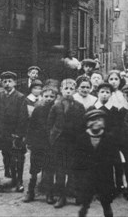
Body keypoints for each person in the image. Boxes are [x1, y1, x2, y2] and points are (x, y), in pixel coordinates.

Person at [47, 77, 85, 208]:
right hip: (59, 142)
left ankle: (76, 194)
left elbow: (82, 125)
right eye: (66, 89)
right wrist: (53, 137)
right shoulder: (56, 105)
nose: (68, 91)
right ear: (61, 90)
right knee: (60, 170)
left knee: (73, 169)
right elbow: (50, 123)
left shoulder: (79, 106)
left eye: (71, 89)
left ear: (75, 90)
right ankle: (61, 197)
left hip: (73, 142)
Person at [73, 109, 118, 217]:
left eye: (99, 120)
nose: (96, 122)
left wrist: (118, 179)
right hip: (87, 176)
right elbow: (77, 161)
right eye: (92, 120)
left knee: (106, 203)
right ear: (87, 123)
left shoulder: (109, 138)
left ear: (104, 123)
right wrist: (78, 178)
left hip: (105, 176)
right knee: (85, 202)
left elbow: (116, 159)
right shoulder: (82, 139)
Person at [24, 84, 58, 204]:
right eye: (46, 96)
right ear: (42, 96)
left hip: (50, 144)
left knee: (49, 170)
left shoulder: (57, 109)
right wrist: (29, 141)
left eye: (52, 96)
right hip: (38, 143)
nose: (49, 98)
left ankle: (49, 193)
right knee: (33, 170)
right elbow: (31, 125)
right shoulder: (38, 109)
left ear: (56, 97)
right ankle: (30, 192)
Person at [0, 71, 28, 192]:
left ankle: (20, 181)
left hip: (16, 133)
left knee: (18, 157)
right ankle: (13, 179)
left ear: (15, 83)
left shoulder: (20, 97)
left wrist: (19, 134)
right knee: (7, 156)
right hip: (3, 133)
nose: (7, 84)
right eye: (5, 81)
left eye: (9, 81)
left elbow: (23, 117)